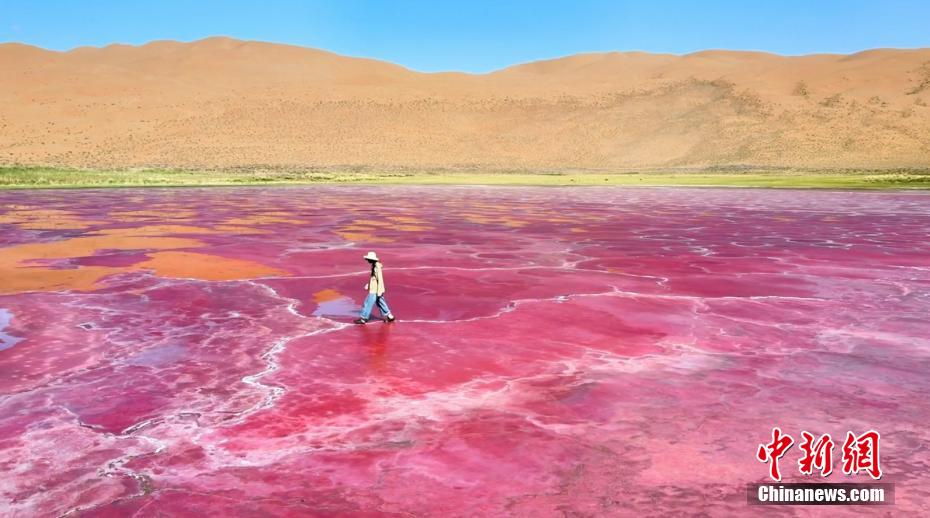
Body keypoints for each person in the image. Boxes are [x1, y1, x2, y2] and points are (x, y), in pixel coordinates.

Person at [355, 251, 396, 324]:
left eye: (368, 259)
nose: (367, 260)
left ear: (372, 259)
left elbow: (380, 279)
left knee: (368, 303)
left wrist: (379, 291)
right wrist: (369, 284)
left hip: (376, 290)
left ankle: (364, 318)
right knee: (381, 302)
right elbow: (374, 278)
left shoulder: (377, 267)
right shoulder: (374, 265)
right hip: (375, 288)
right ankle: (390, 316)